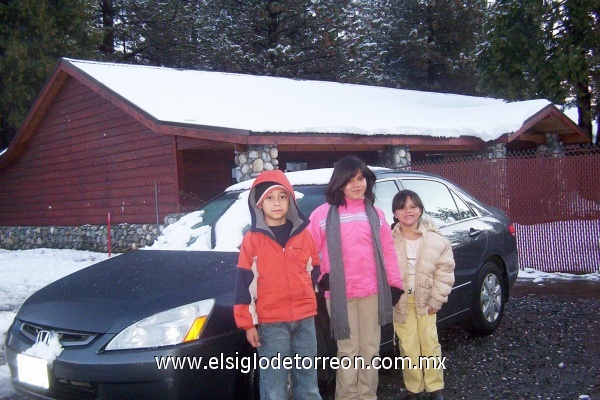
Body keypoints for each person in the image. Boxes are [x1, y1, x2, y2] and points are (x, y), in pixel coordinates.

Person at [308, 155, 404, 400]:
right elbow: (307, 253)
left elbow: (388, 251)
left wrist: (394, 284)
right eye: (350, 180)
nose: (356, 184)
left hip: (372, 292)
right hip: (340, 295)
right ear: (339, 183)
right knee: (348, 350)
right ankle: (348, 396)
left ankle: (367, 395)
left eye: (360, 178)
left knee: (370, 349)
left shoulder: (376, 214)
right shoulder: (322, 215)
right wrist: (319, 277)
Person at [234, 169, 322, 400]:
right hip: (271, 324)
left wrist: (308, 297)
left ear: (290, 201)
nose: (277, 203)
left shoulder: (304, 235)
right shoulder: (252, 240)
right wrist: (248, 324)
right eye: (270, 198)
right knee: (274, 386)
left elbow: (314, 269)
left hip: (304, 321)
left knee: (308, 381)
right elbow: (244, 285)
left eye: (282, 197)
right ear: (259, 204)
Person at [390, 190, 455, 400]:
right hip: (401, 302)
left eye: (412, 206)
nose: (407, 211)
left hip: (427, 301)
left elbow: (445, 271)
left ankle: (436, 388)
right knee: (408, 346)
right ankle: (413, 389)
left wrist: (437, 298)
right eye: (402, 207)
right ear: (394, 213)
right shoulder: (388, 241)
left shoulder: (436, 240)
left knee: (430, 343)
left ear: (420, 210)